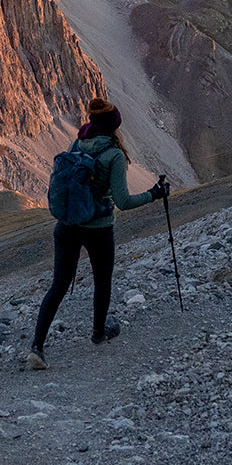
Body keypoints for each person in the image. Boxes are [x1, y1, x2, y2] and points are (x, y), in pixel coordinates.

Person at [29, 98, 167, 370]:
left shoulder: (77, 144)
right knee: (102, 281)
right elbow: (124, 201)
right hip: (98, 229)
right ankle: (98, 333)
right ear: (113, 126)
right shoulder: (114, 155)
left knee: (58, 285)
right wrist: (154, 194)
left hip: (67, 226)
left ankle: (37, 346)